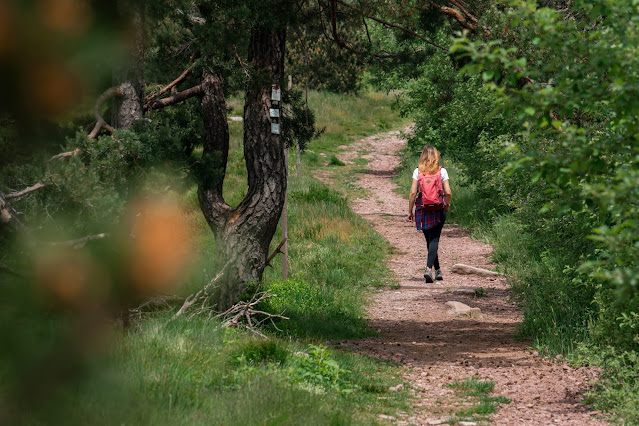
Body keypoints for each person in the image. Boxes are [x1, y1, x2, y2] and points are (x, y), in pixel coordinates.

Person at [408, 145, 452, 283]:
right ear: (436, 156)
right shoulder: (442, 171)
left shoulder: (418, 171)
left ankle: (437, 270)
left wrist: (410, 211)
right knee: (434, 239)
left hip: (422, 208)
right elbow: (448, 192)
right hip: (438, 208)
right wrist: (447, 204)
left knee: (430, 240)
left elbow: (412, 193)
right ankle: (430, 269)